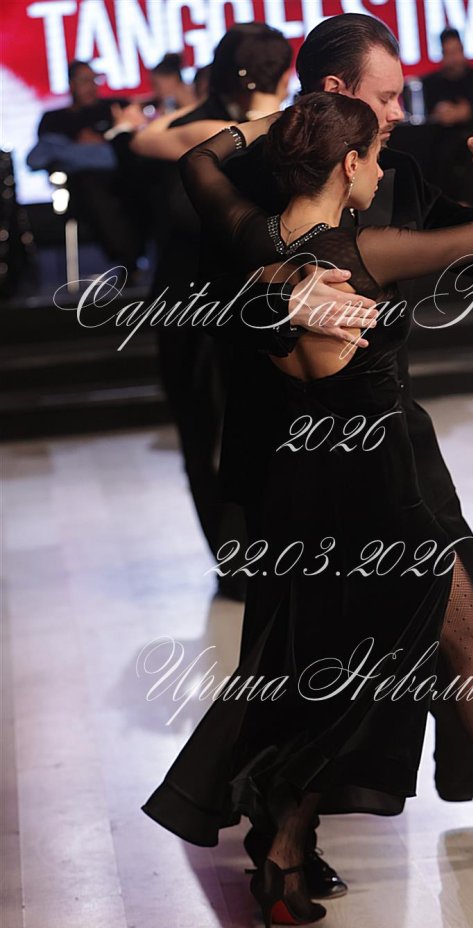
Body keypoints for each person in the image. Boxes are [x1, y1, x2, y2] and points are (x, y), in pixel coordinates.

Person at [141, 94, 473, 928]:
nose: (384, 162)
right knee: (370, 682)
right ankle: (320, 828)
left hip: (307, 489)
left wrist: (273, 122)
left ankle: (289, 852)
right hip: (383, 493)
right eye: (374, 153)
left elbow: (197, 162)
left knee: (346, 675)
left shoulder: (259, 239)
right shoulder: (363, 251)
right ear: (350, 164)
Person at [109, 25, 292, 599]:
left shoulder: (240, 128)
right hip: (199, 301)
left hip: (235, 301)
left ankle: (259, 557)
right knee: (209, 429)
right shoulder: (221, 130)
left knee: (249, 430)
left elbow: (141, 143)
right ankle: (238, 563)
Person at [30, 61, 144, 273]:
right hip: (83, 185)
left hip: (127, 176)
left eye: (94, 80)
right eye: (84, 80)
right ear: (71, 83)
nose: (91, 86)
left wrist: (108, 137)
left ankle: (137, 258)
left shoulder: (116, 108)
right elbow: (39, 158)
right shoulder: (55, 119)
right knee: (94, 188)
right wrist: (84, 148)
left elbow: (136, 140)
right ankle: (129, 259)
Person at [421, 28, 473, 125]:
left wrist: (470, 112)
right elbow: (422, 120)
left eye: (456, 51)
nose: (454, 59)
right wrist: (437, 116)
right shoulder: (429, 84)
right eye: (448, 53)